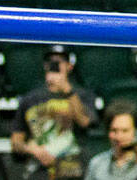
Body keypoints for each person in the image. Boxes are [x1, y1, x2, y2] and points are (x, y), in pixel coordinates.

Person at [10, 45, 99, 180]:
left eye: (60, 61)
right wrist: (33, 149)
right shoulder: (30, 98)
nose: (55, 64)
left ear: (69, 66)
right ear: (45, 66)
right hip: (40, 169)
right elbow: (16, 141)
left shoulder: (83, 95)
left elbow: (84, 122)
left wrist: (67, 89)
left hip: (74, 168)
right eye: (51, 61)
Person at [83, 100, 137, 180]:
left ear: (136, 131)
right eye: (114, 130)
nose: (119, 137)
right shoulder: (97, 164)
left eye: (125, 131)